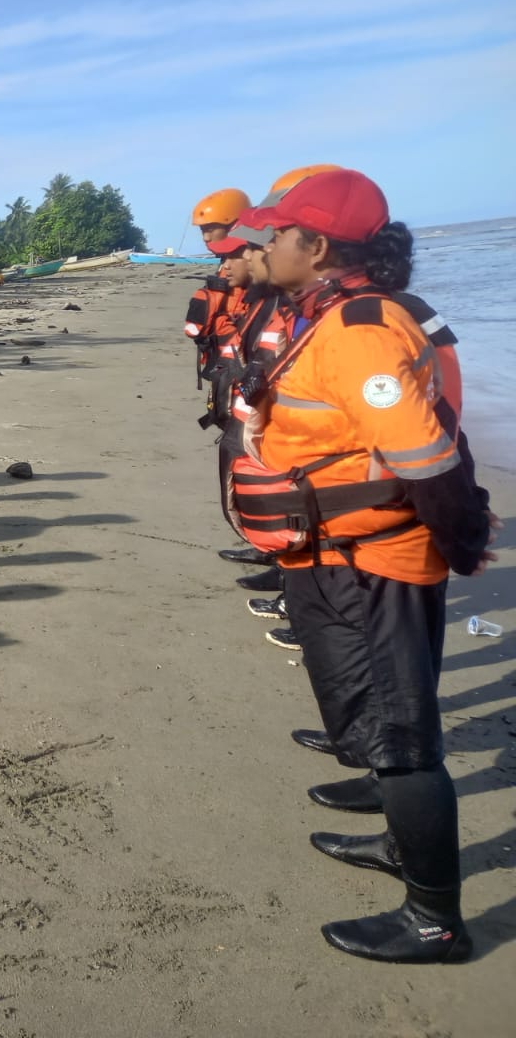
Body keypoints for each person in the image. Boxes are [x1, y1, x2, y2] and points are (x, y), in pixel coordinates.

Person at [237, 168, 496, 963]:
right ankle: (397, 842)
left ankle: (434, 920)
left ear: (315, 246)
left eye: (277, 232)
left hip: (373, 561)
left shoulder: (358, 330)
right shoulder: (324, 315)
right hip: (337, 556)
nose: (266, 243)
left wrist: (461, 542)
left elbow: (426, 458)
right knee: (375, 713)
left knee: (401, 733)